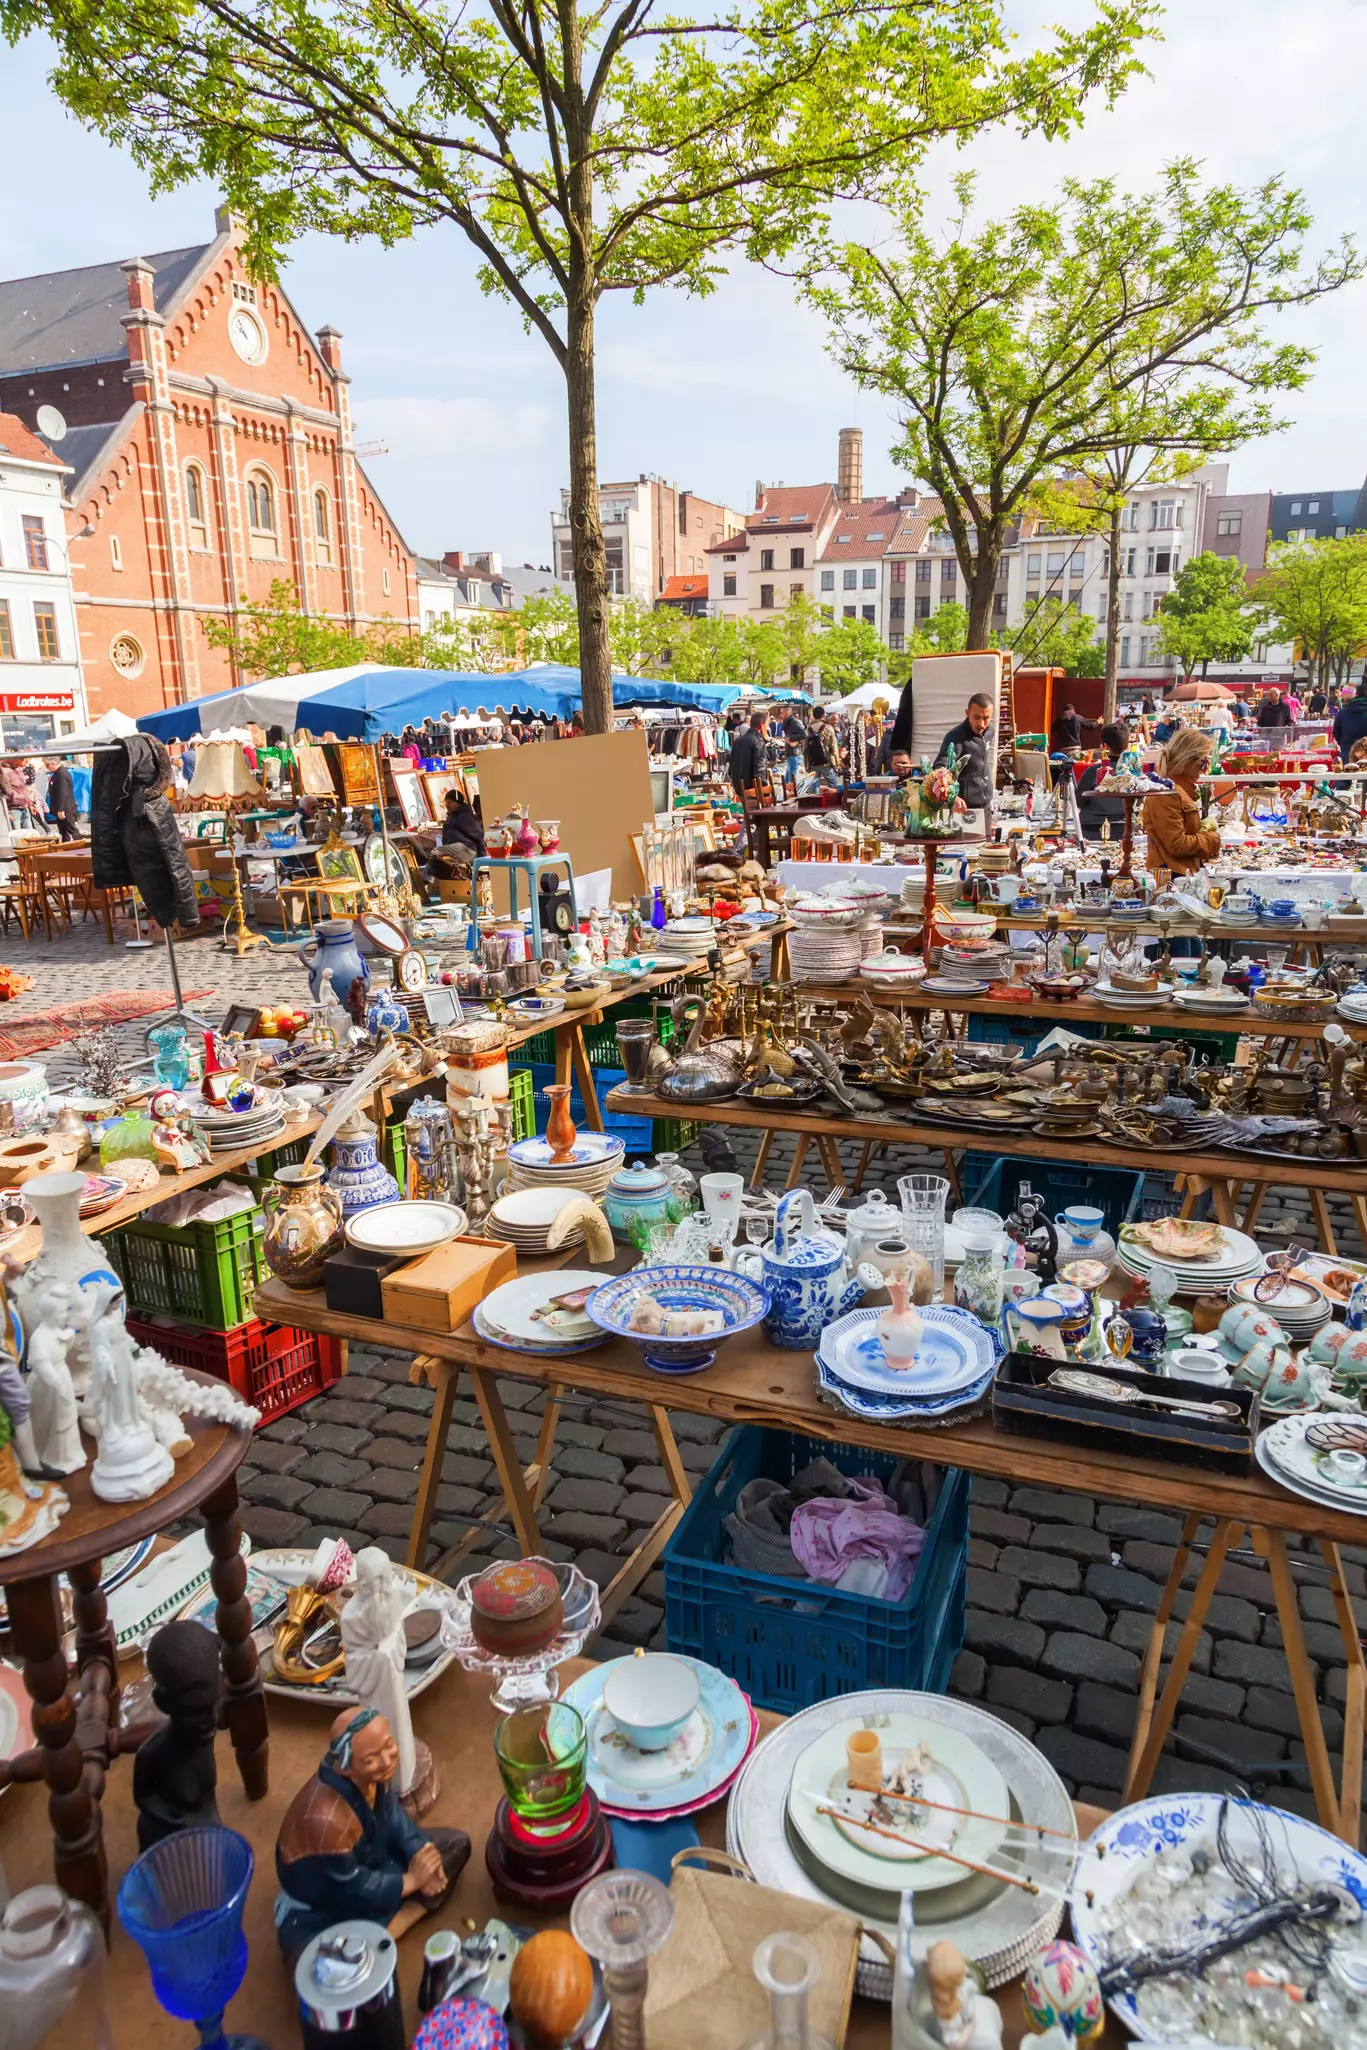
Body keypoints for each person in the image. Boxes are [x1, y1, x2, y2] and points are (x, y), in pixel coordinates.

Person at [1142, 725, 1221, 877]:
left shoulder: (1180, 792)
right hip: (1173, 877)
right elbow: (1177, 844)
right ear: (1187, 761)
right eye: (1203, 762)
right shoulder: (1166, 794)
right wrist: (1212, 839)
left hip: (1182, 873)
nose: (1204, 769)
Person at [929, 692, 996, 827]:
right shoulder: (956, 737)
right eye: (976, 717)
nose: (981, 724)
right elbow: (938, 769)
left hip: (986, 805)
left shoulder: (990, 732)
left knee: (987, 846)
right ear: (967, 713)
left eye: (986, 718)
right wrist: (951, 796)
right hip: (964, 807)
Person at [1075, 722, 1130, 840]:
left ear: (1104, 746)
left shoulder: (1094, 771)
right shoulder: (1132, 773)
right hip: (1125, 827)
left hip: (1093, 828)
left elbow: (1079, 801)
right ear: (1127, 747)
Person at [430, 787, 485, 876]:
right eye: (446, 801)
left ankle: (427, 879)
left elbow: (479, 836)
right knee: (440, 858)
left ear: (458, 803)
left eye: (450, 802)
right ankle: (443, 881)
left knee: (436, 851)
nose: (447, 805)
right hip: (460, 851)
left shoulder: (465, 816)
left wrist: (484, 858)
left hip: (468, 850)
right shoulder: (453, 817)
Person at [729, 709, 769, 797]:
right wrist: (766, 793)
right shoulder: (758, 741)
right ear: (762, 725)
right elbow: (760, 770)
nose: (768, 728)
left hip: (739, 789)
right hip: (753, 791)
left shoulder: (738, 741)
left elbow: (731, 767)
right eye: (767, 725)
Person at [805, 708, 842, 788]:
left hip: (813, 763)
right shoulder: (828, 728)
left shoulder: (808, 729)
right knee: (833, 786)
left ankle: (816, 800)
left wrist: (806, 765)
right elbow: (834, 746)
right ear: (823, 715)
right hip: (826, 763)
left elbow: (805, 749)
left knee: (814, 787)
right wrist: (837, 763)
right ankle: (833, 800)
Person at [1332, 680, 1367, 765]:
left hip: (1348, 748)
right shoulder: (1344, 710)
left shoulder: (1344, 711)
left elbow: (1336, 732)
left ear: (1356, 694)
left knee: (1346, 774)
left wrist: (1343, 743)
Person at [47, 755, 78, 841]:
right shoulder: (58, 773)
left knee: (70, 831)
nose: (47, 768)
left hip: (65, 808)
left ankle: (79, 848)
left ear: (52, 764)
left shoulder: (61, 774)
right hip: (62, 808)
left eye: (47, 765)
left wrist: (61, 809)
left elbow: (62, 792)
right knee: (64, 832)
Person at [781, 703, 807, 790]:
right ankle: (788, 795)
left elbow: (804, 734)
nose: (780, 715)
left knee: (792, 779)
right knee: (788, 780)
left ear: (787, 713)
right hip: (791, 753)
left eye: (782, 713)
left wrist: (790, 738)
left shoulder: (794, 722)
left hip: (795, 753)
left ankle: (793, 796)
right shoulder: (788, 722)